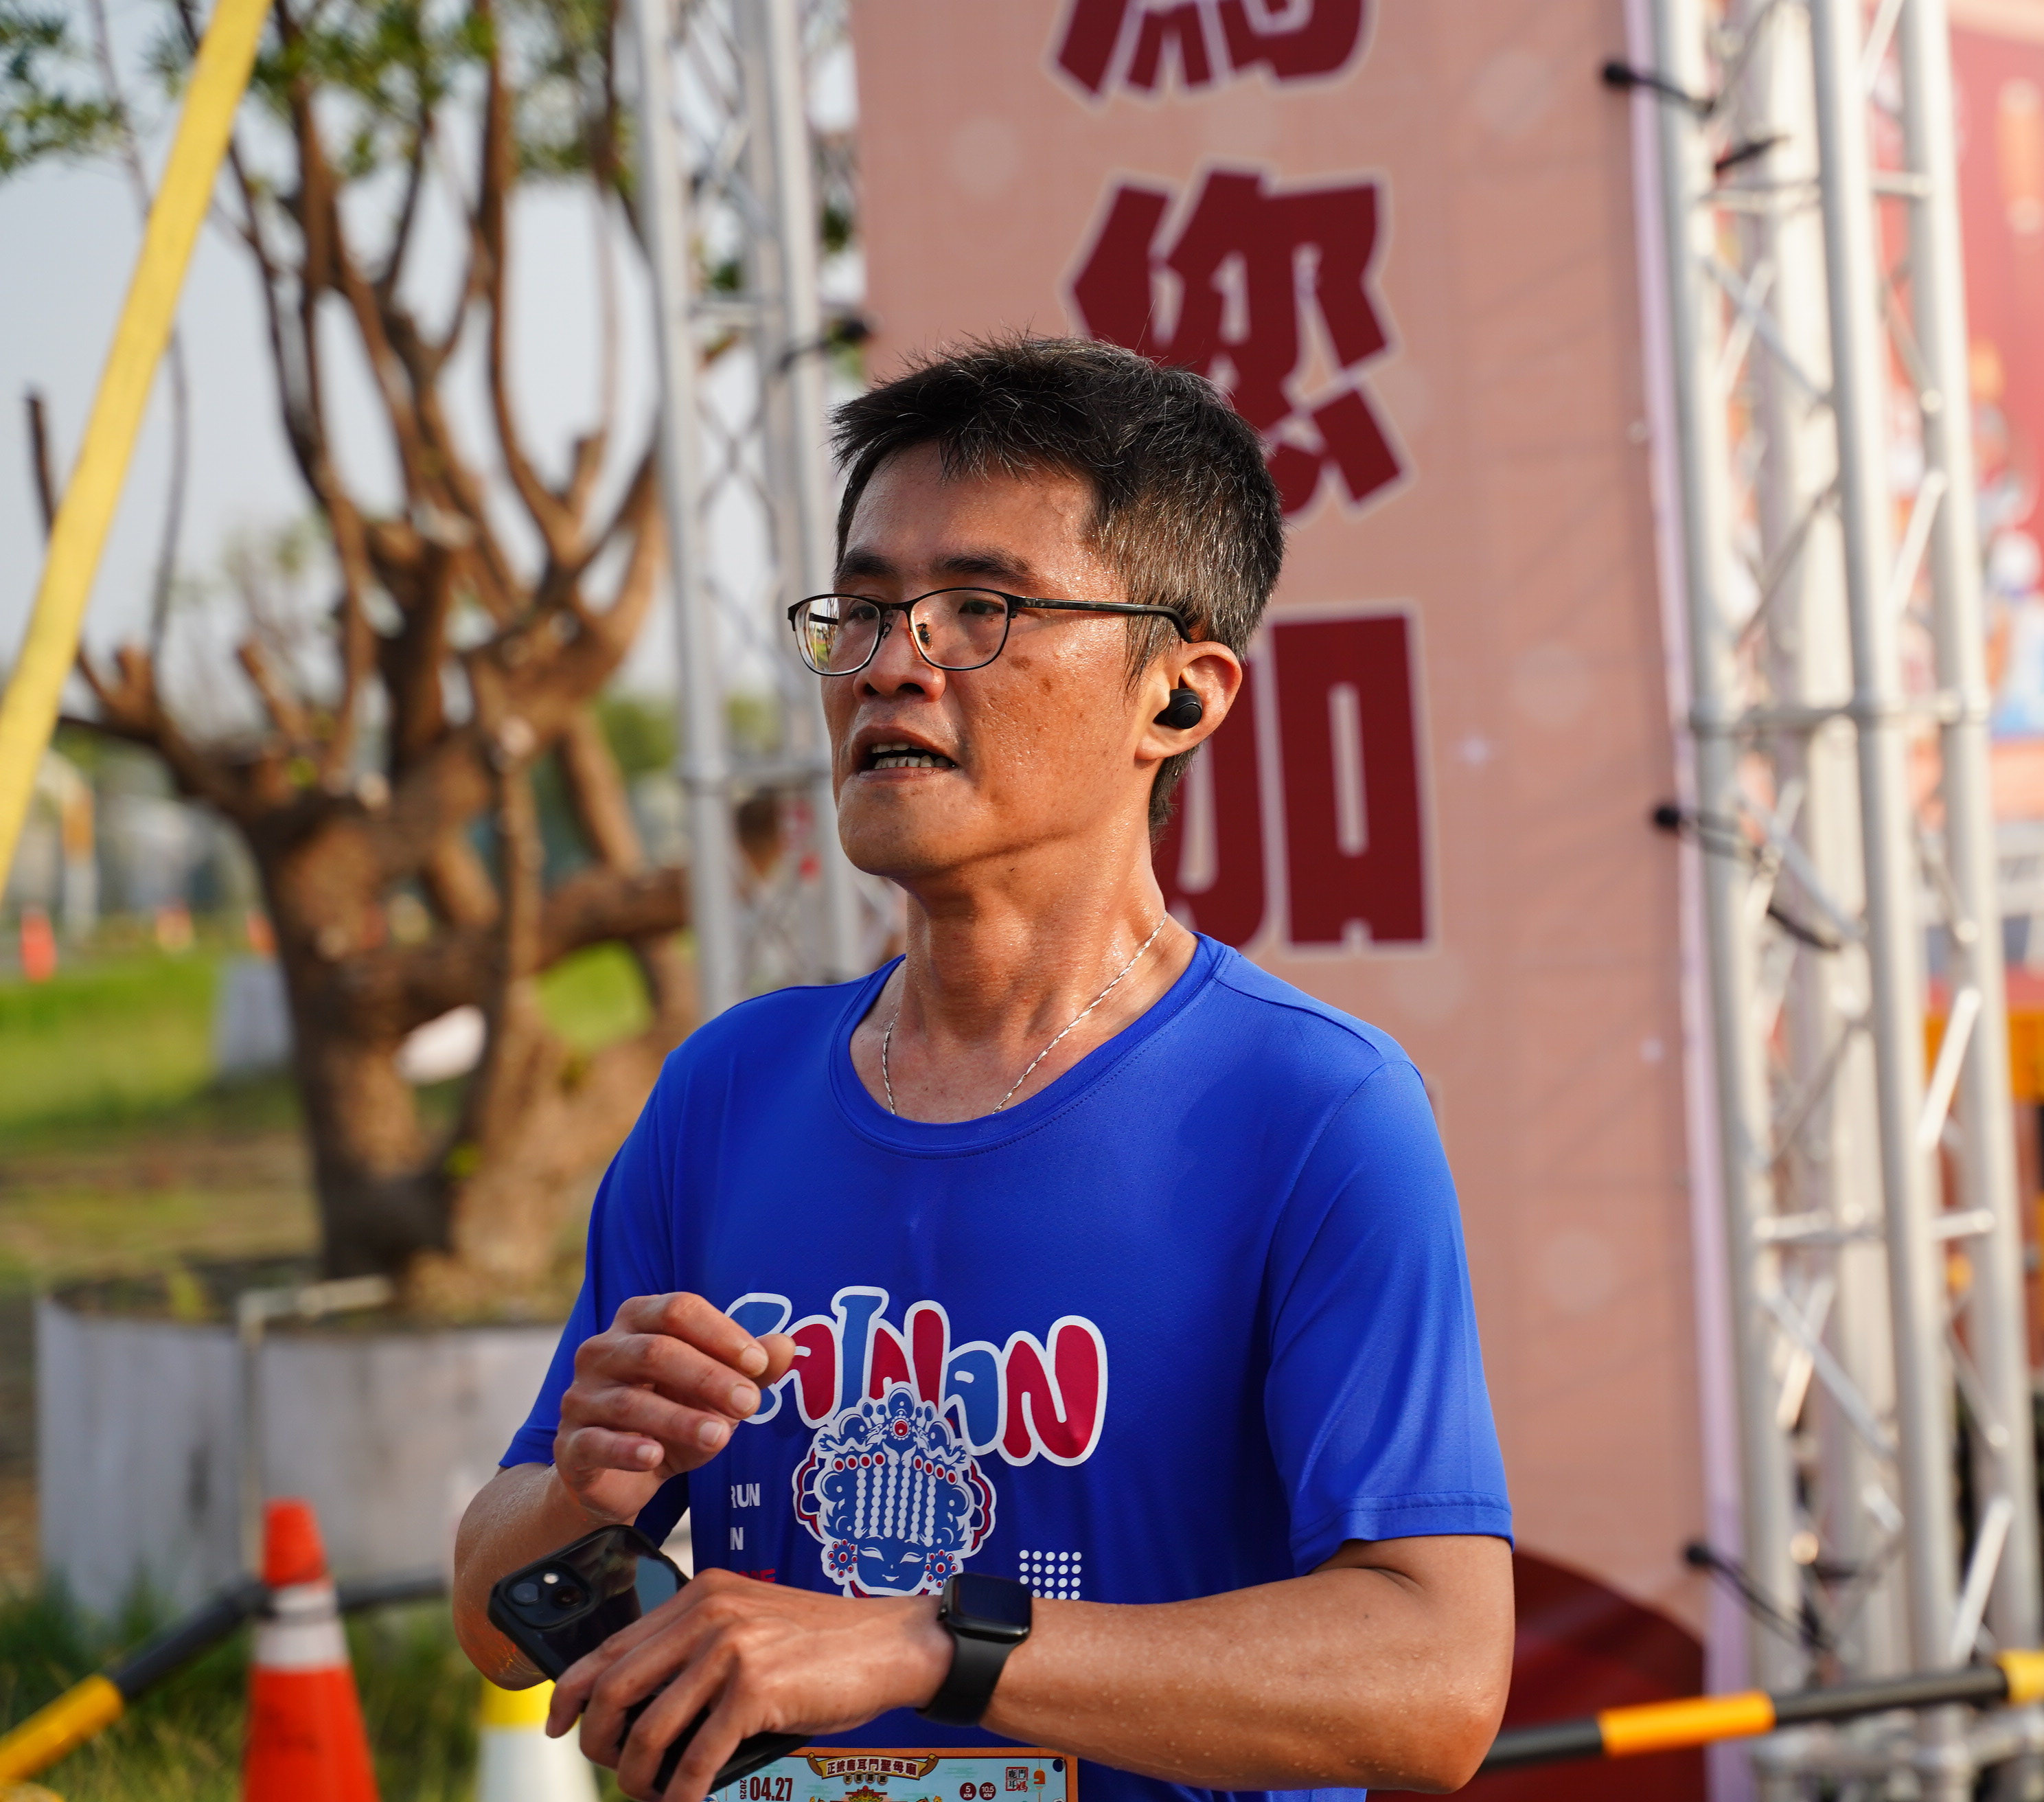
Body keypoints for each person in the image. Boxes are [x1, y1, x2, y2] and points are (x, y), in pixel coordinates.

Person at [451, 339, 1515, 1802]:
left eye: (979, 610)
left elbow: (1435, 1679)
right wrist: (584, 1492)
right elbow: (492, 1613)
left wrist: (927, 1643)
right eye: (864, 610)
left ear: (1181, 697)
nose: (893, 663)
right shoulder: (727, 1090)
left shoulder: (1311, 1110)